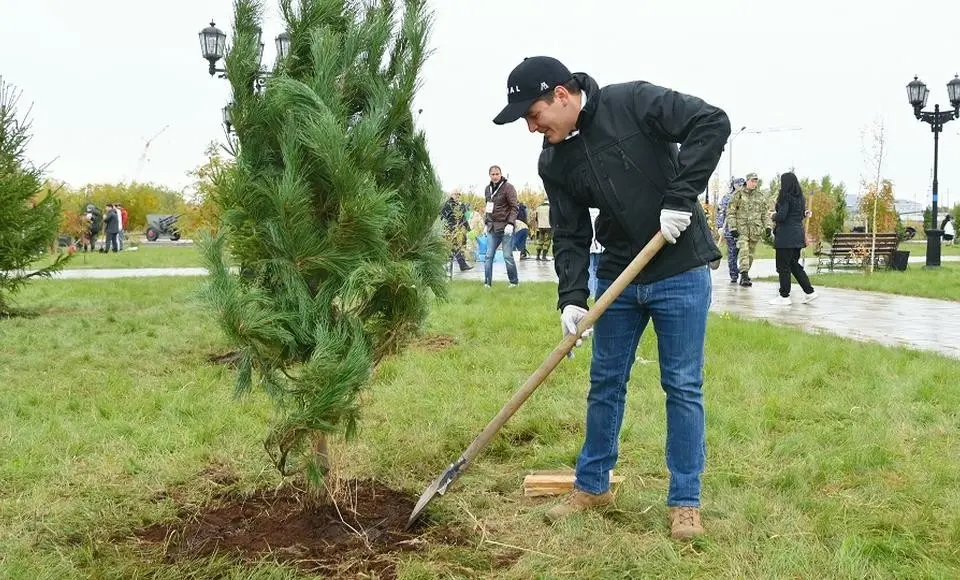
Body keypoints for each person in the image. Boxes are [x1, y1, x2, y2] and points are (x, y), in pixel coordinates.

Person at [493, 56, 728, 539]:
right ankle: (593, 485)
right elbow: (570, 233)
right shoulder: (553, 160)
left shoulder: (632, 102)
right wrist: (572, 297)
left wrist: (680, 197)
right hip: (620, 273)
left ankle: (685, 501)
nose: (531, 127)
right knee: (605, 382)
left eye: (533, 114)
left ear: (561, 95)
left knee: (682, 385)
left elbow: (711, 122)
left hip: (679, 267)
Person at [768, 172, 819, 306]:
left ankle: (784, 296)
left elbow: (782, 216)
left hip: (785, 237)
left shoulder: (785, 197)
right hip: (797, 236)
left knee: (783, 267)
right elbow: (799, 215)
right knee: (794, 266)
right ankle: (809, 292)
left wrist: (773, 215)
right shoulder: (800, 198)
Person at [727, 172, 767, 287]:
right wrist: (733, 227)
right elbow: (731, 212)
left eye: (756, 181)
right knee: (744, 251)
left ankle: (745, 273)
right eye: (752, 181)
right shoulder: (738, 195)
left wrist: (768, 227)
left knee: (750, 254)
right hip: (742, 229)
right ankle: (744, 275)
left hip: (755, 230)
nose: (754, 183)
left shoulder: (760, 196)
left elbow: (764, 214)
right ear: (747, 181)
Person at [483, 165, 520, 287]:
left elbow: (514, 207)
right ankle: (487, 283)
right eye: (492, 174)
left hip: (505, 227)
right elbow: (488, 208)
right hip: (492, 227)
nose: (495, 176)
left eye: (497, 174)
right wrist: (486, 223)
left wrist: (510, 223)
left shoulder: (508, 187)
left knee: (507, 256)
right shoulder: (487, 189)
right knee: (488, 256)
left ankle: (513, 282)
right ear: (489, 175)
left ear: (501, 174)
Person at [716, 177, 745, 284]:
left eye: (743, 185)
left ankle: (744, 275)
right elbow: (721, 212)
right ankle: (734, 275)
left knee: (744, 253)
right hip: (729, 230)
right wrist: (720, 227)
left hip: (743, 230)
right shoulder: (727, 197)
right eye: (739, 185)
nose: (741, 187)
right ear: (734, 185)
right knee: (732, 253)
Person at [440, 190, 474, 272]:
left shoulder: (460, 206)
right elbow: (442, 217)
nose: (457, 196)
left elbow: (464, 219)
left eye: (459, 195)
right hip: (450, 230)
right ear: (451, 195)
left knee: (454, 248)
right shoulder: (447, 205)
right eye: (456, 194)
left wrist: (469, 230)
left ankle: (454, 267)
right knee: (455, 247)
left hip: (458, 230)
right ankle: (462, 265)